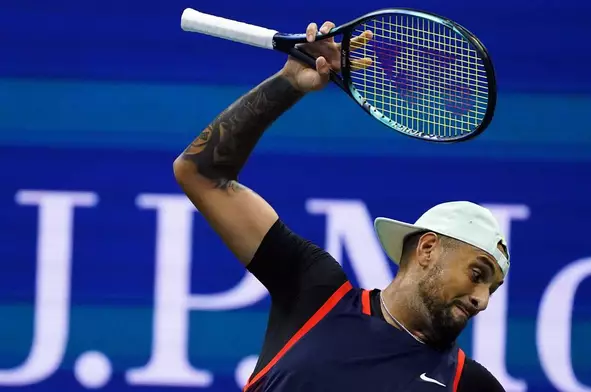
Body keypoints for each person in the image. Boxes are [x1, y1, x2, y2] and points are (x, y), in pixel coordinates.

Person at [173, 19, 508, 392]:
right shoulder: (315, 290)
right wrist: (288, 84)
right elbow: (200, 174)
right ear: (427, 248)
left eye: (492, 290)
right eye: (478, 275)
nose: (481, 300)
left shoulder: (472, 386)